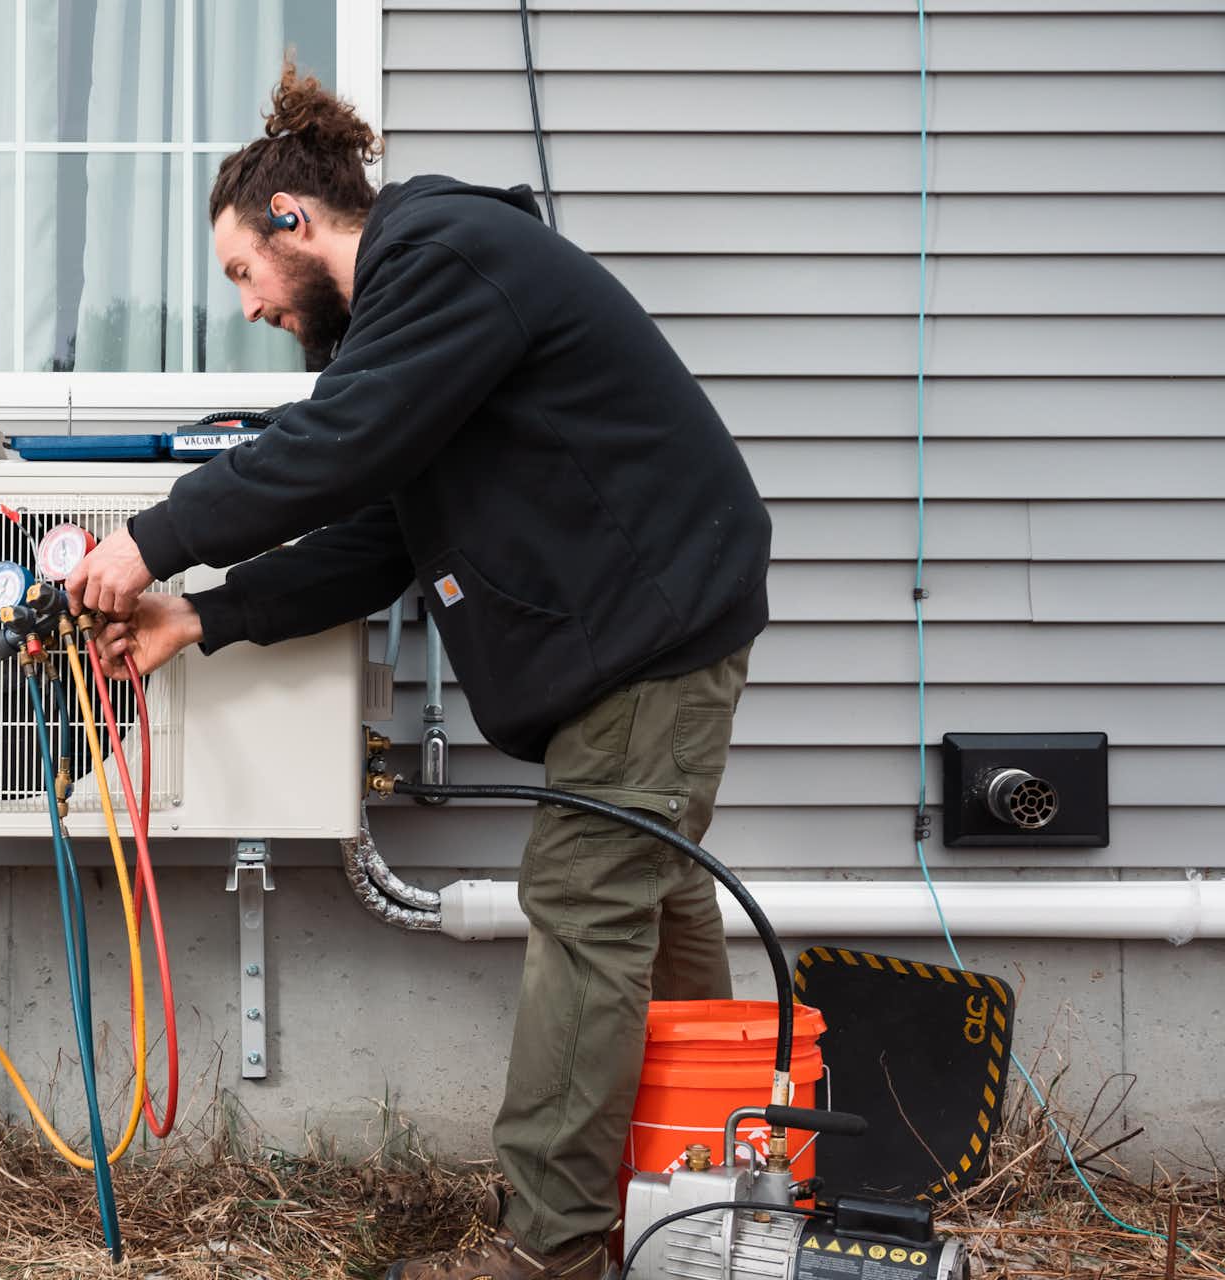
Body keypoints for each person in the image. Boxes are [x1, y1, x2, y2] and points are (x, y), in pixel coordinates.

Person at [65, 64, 772, 1280]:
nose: (245, 307)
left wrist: (148, 539)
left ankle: (552, 1252)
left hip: (650, 636)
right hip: (645, 635)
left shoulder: (442, 254)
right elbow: (380, 532)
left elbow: (336, 451)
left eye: (241, 270)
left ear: (293, 219)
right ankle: (704, 1206)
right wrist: (203, 617)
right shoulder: (421, 311)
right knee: (648, 919)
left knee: (587, 912)